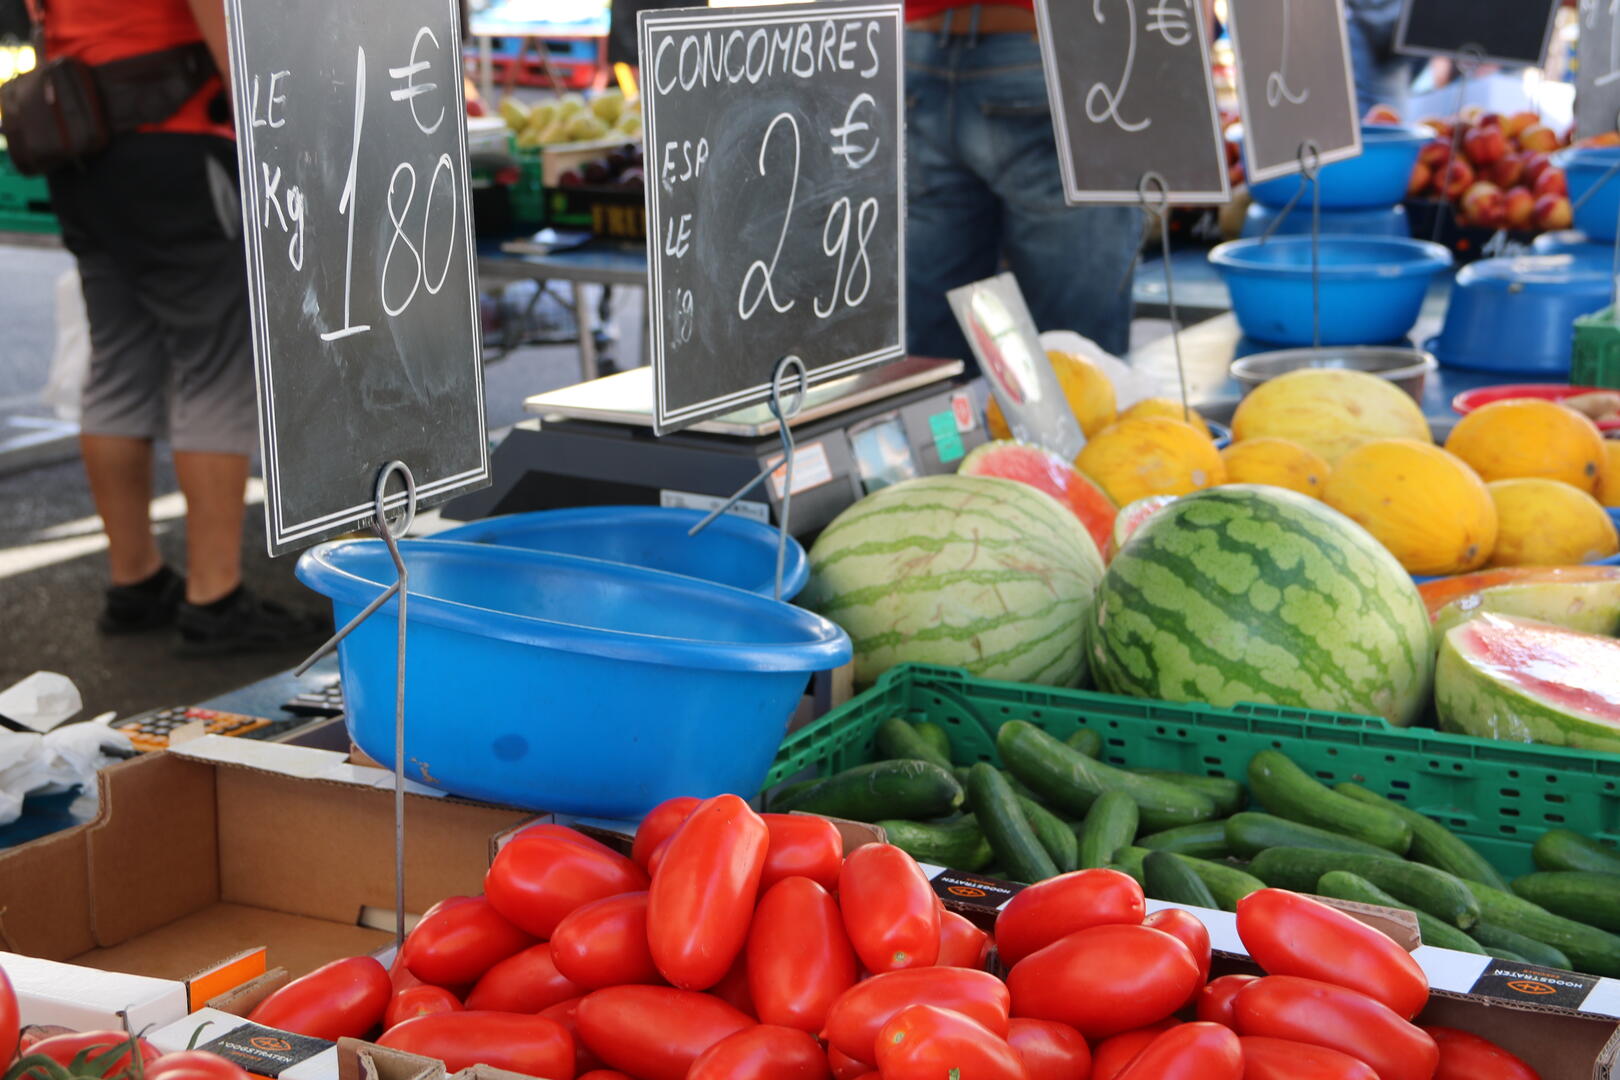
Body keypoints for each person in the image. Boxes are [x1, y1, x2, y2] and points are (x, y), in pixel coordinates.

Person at [30, 0, 323, 653]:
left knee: (118, 358)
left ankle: (133, 582)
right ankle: (214, 598)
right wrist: (275, 132)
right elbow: (222, 23)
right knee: (216, 364)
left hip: (82, 143)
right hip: (178, 137)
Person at [903, 1, 1143, 363]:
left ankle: (944, 419)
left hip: (919, 49)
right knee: (1075, 359)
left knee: (936, 370)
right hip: (1053, 45)